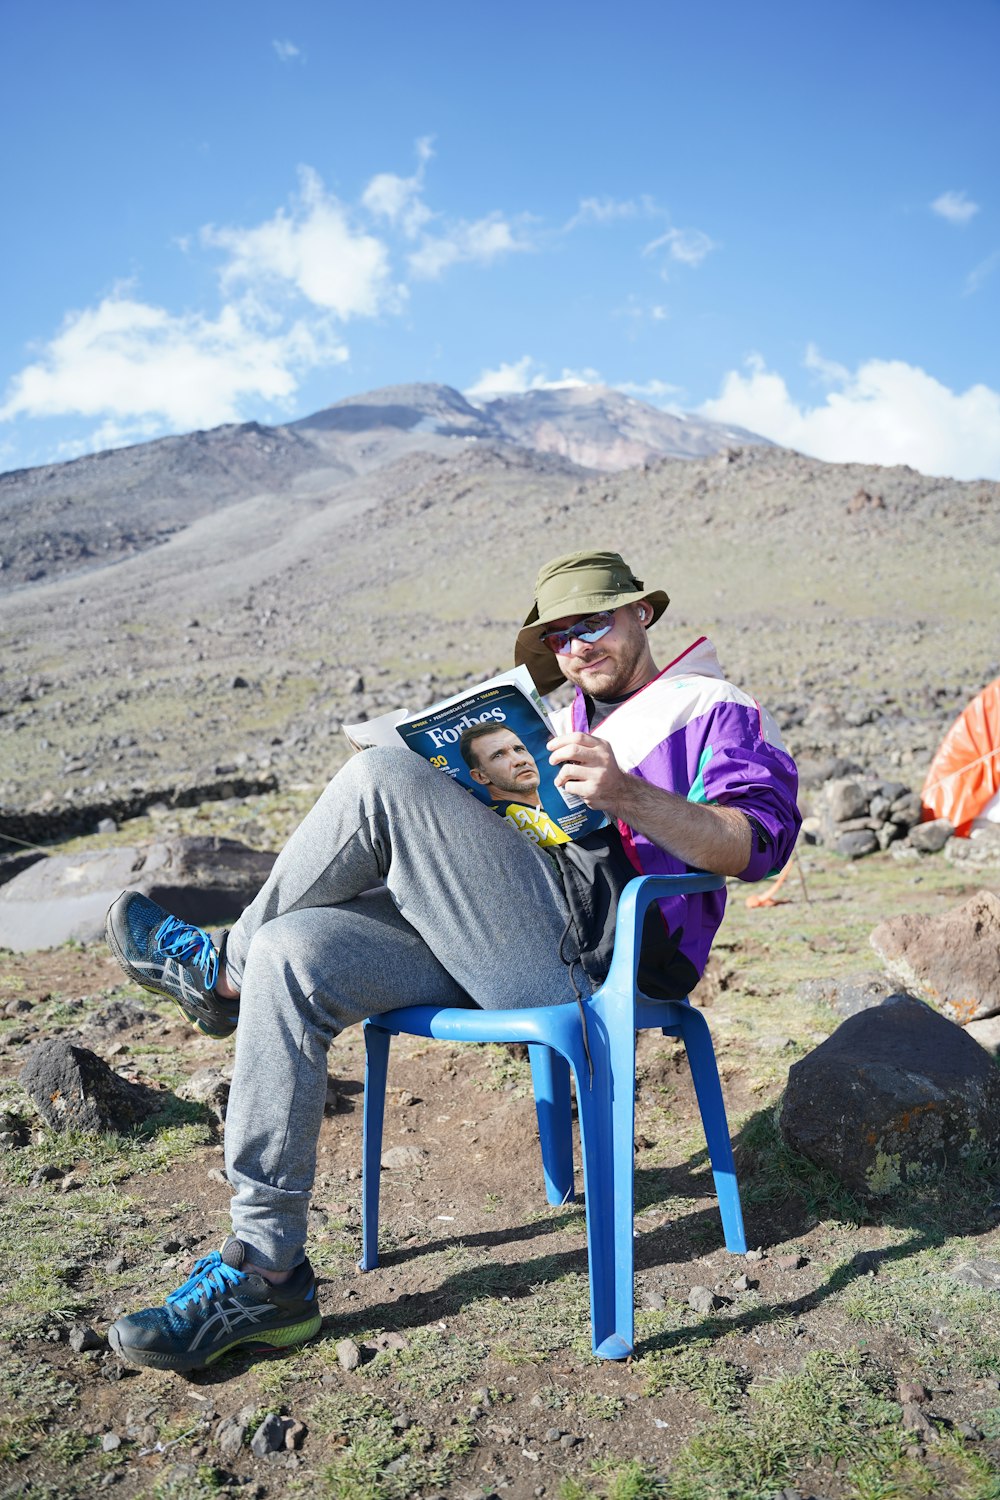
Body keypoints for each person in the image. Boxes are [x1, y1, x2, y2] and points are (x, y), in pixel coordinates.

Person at [103, 548, 800, 1372]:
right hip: (492, 931)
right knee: (292, 954)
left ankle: (222, 968)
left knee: (381, 777)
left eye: (597, 622)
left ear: (642, 614)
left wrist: (627, 796)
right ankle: (267, 1270)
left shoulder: (714, 706)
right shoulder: (551, 727)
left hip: (604, 957)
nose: (581, 645)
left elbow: (756, 848)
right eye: (563, 635)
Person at [459, 722, 570, 847]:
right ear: (480, 776)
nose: (519, 760)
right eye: (498, 755)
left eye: (519, 749)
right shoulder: (495, 828)